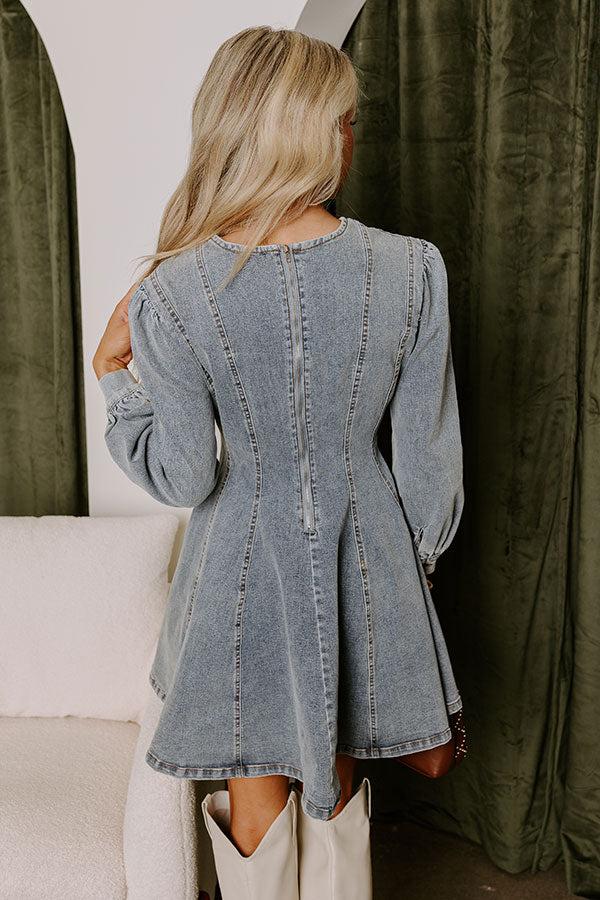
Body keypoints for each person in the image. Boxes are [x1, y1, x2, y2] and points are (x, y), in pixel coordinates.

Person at [93, 24, 464, 900]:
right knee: (337, 786)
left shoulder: (173, 290)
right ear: (306, 130)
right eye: (344, 119)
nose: (350, 137)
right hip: (367, 561)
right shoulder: (412, 271)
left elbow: (186, 476)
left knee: (254, 795)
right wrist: (408, 575)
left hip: (236, 572)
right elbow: (428, 471)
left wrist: (113, 376)